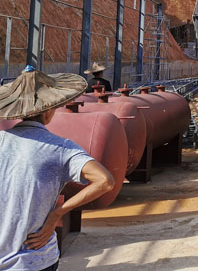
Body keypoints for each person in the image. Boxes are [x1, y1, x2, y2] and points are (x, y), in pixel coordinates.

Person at [0, 66, 115, 270]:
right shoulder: (60, 147)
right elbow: (105, 181)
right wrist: (57, 214)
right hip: (34, 259)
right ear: (49, 110)